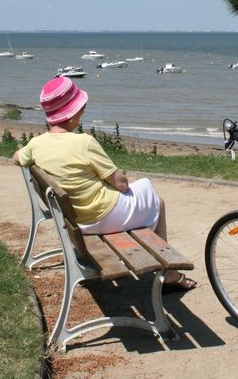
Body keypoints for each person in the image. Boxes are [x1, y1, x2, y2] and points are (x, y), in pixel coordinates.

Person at [13, 76, 197, 292]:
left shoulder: (36, 144)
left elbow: (17, 157)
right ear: (70, 114)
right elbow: (120, 183)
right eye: (80, 108)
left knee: (145, 195)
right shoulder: (84, 142)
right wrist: (122, 181)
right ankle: (170, 274)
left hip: (77, 221)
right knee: (155, 198)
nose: (83, 112)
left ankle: (162, 266)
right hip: (103, 216)